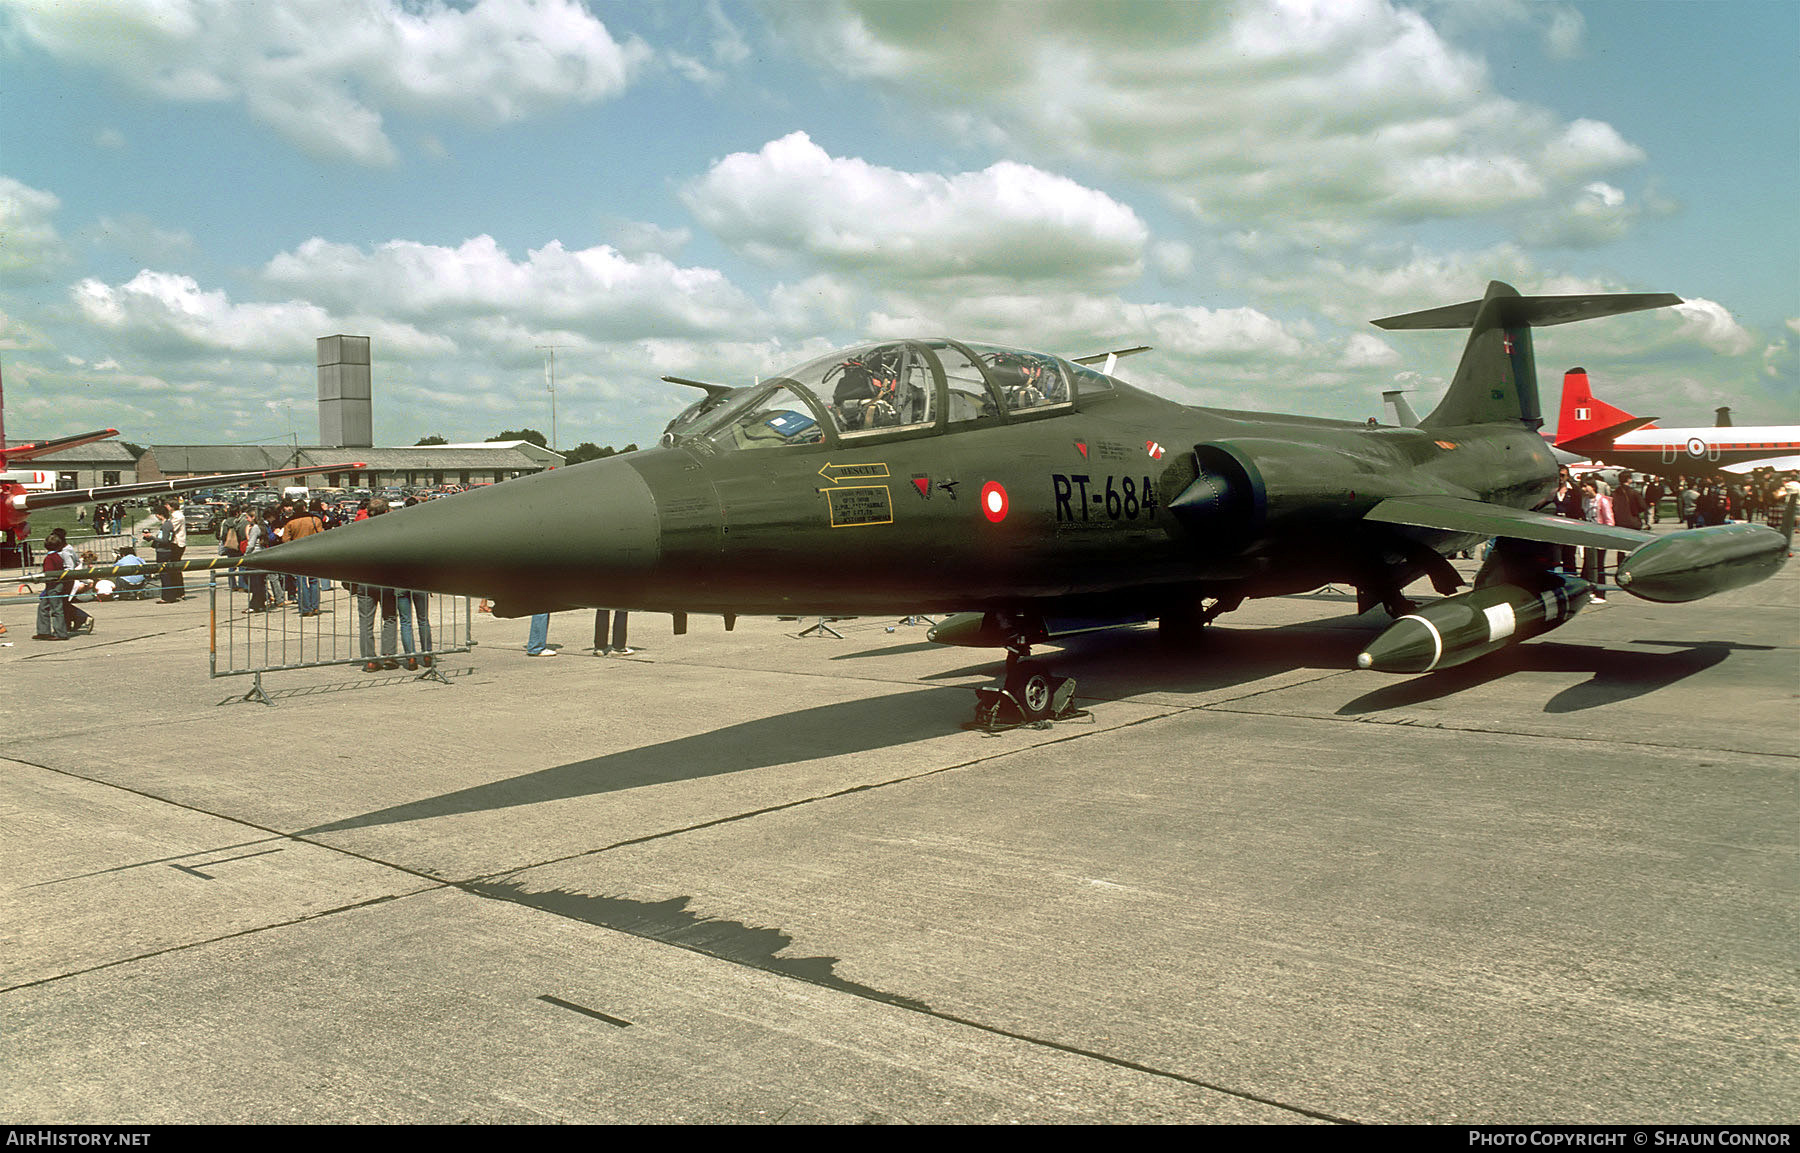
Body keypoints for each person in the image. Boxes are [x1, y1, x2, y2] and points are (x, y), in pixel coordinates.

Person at [354, 498, 400, 670]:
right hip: (385, 579)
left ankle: (369, 659)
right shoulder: (392, 529)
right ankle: (389, 655)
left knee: (366, 622)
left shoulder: (360, 529)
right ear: (386, 510)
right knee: (389, 617)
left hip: (365, 579)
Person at [280, 500, 327, 616]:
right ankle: (315, 607)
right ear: (305, 508)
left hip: (298, 554)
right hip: (313, 553)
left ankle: (305, 608)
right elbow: (322, 535)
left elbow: (285, 539)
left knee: (301, 581)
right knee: (314, 580)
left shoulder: (290, 522)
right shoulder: (315, 520)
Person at [1579, 479, 1614, 600]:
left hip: (1600, 536)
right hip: (1589, 536)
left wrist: (1605, 535)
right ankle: (1588, 591)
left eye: (1585, 486)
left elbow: (1609, 520)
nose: (1583, 489)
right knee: (1588, 565)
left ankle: (1601, 593)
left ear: (1593, 487)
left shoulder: (1602, 501)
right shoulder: (1585, 500)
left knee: (1599, 564)